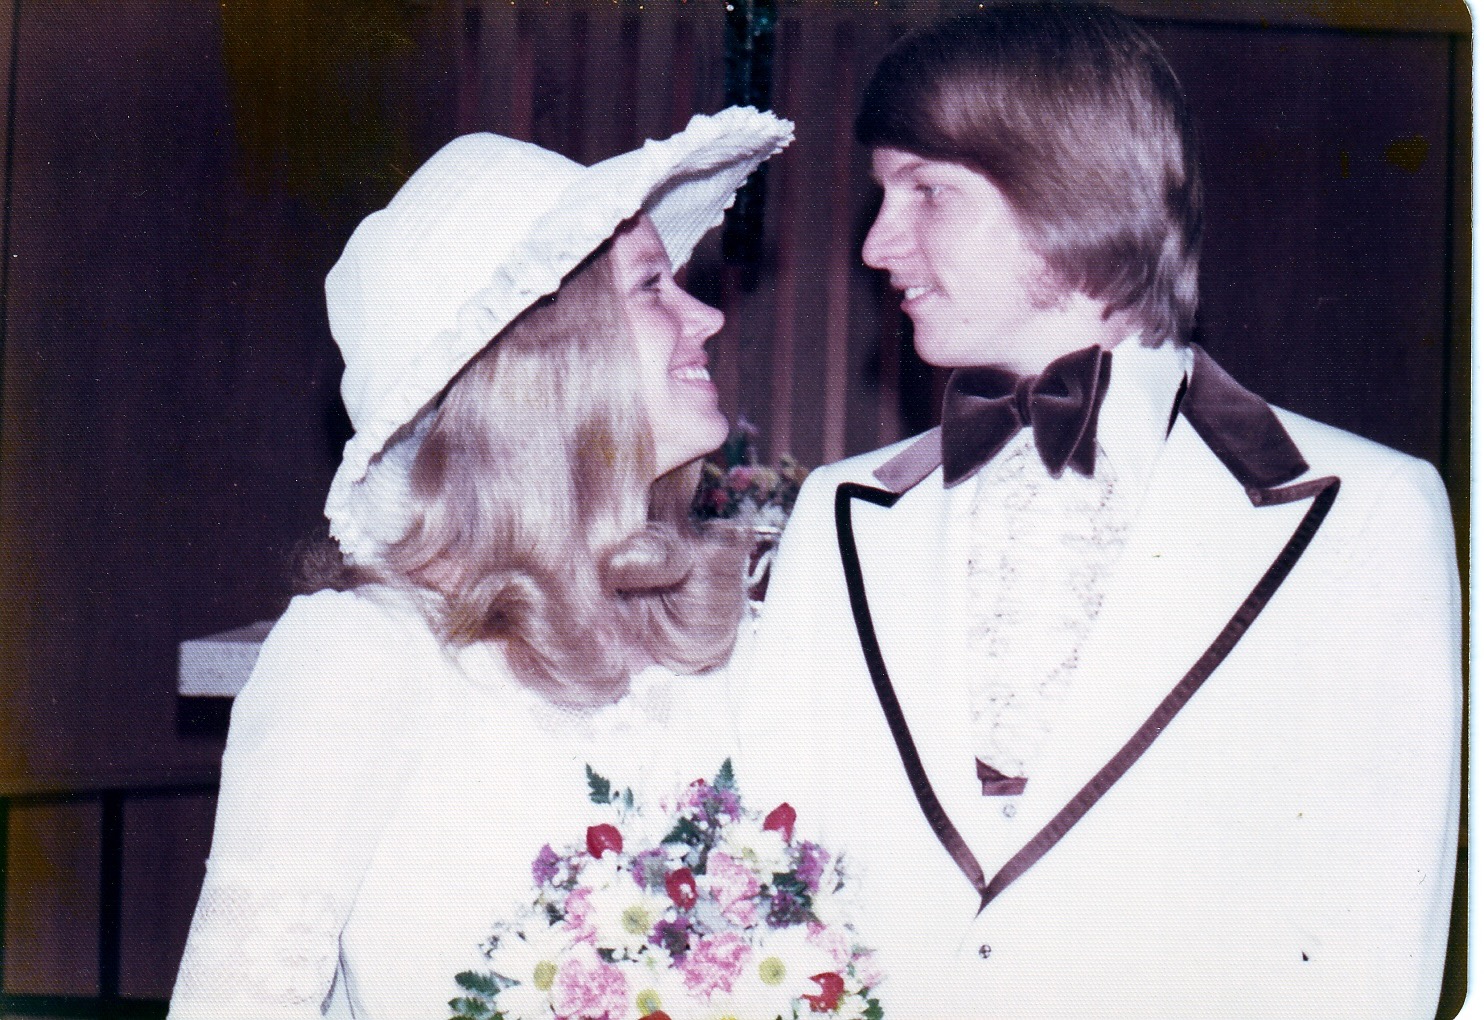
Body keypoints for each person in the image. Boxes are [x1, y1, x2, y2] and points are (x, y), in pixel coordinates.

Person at [736, 6, 1460, 1019]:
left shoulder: (1364, 515)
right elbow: (769, 886)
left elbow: (1372, 954)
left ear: (1065, 190)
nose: (874, 244)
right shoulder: (839, 513)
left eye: (925, 192)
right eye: (880, 195)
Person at [169, 107, 792, 1020]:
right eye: (652, 286)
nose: (705, 316)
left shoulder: (707, 640)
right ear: (544, 361)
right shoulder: (363, 654)